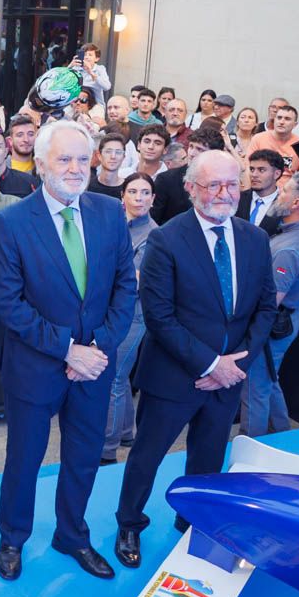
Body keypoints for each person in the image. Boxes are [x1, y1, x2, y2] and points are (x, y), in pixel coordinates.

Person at [113, 151, 277, 570]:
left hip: (228, 379)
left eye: (232, 185)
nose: (224, 194)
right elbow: (159, 316)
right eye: (213, 185)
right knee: (147, 456)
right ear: (191, 189)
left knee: (207, 460)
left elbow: (264, 311)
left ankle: (194, 521)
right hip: (173, 377)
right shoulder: (166, 239)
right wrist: (210, 365)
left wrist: (234, 366)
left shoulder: (255, 239)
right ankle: (129, 523)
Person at [0, 122, 137, 582]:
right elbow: (10, 305)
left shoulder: (110, 214)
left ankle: (72, 534)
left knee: (84, 454)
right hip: (37, 367)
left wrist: (96, 348)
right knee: (25, 458)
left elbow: (125, 288)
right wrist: (68, 350)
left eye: (81, 159)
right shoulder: (13, 221)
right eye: (64, 160)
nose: (75, 169)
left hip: (94, 366)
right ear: (40, 163)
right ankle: (13, 536)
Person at [241, 172, 299, 437]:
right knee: (268, 380)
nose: (279, 193)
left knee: (255, 389)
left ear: (297, 203)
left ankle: (250, 448)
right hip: (288, 319)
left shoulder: (289, 249)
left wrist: (250, 335)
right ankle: (283, 434)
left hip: (275, 325)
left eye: (285, 190)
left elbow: (270, 303)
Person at [103, 173, 159, 464]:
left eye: (145, 192)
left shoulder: (154, 234)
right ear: (122, 195)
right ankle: (125, 431)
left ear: (153, 198)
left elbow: (138, 280)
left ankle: (106, 448)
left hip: (135, 314)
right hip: (112, 310)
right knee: (120, 375)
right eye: (133, 191)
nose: (139, 197)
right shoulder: (113, 223)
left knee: (113, 376)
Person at [238, 149, 289, 233]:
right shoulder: (238, 198)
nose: (254, 175)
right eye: (252, 169)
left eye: (261, 170)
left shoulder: (286, 206)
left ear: (277, 174)